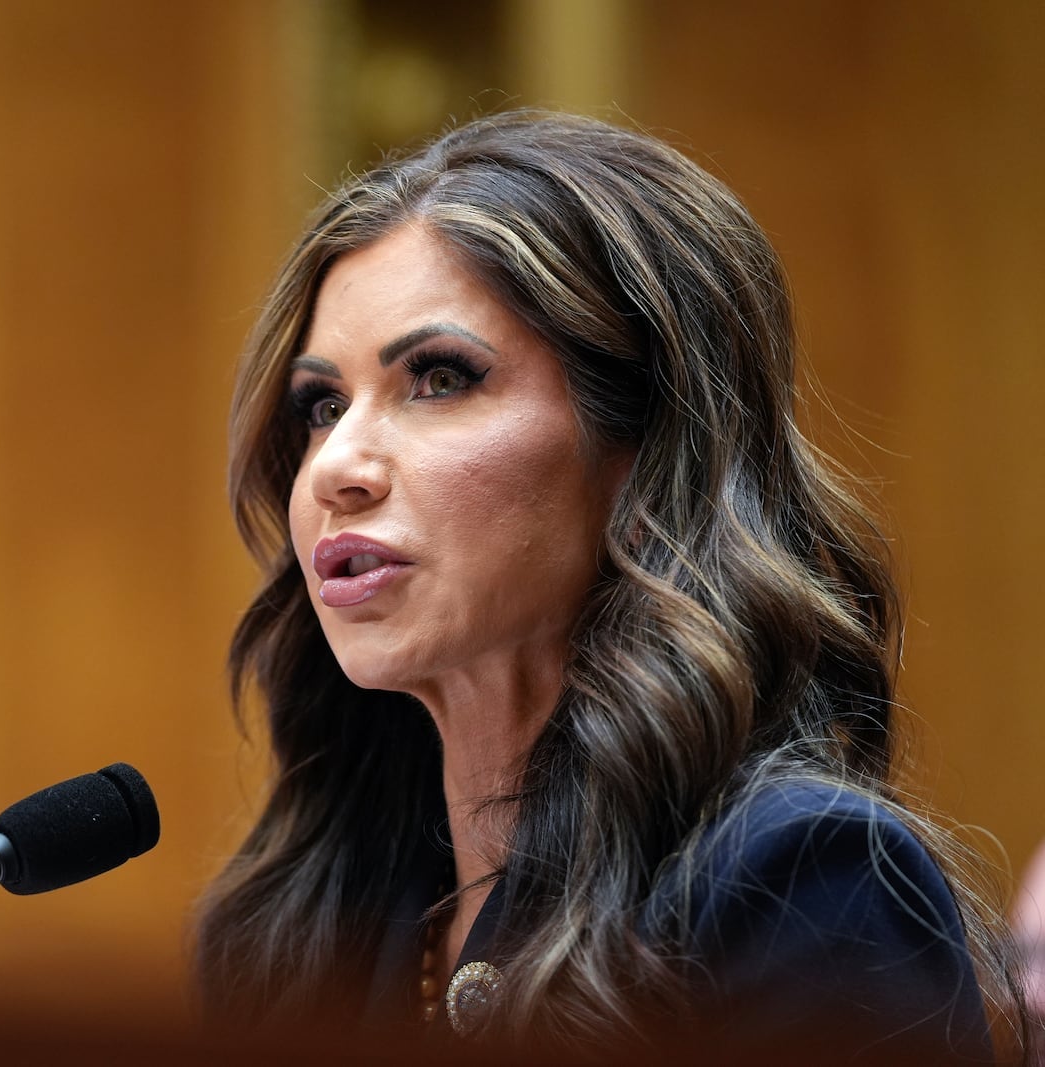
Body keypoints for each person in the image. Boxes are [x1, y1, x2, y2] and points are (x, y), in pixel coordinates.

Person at [193, 111, 1023, 1063]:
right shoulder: (296, 928)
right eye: (321, 404)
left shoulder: (797, 880)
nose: (337, 465)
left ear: (642, 449)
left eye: (439, 378)